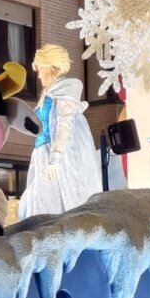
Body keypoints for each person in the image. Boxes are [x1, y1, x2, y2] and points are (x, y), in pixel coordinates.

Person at [18, 44, 101, 219]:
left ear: (49, 67)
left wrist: (55, 158)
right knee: (38, 203)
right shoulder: (48, 95)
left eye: (39, 68)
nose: (38, 74)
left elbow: (65, 124)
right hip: (41, 156)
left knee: (54, 204)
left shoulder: (66, 89)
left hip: (53, 158)